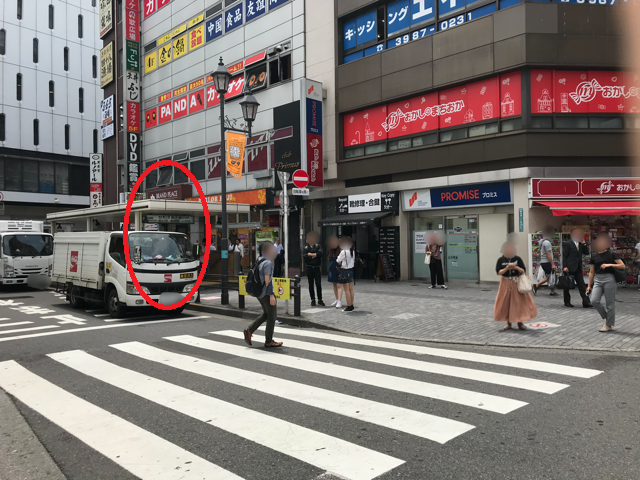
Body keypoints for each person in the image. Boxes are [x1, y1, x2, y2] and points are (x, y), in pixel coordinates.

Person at [243, 241, 283, 348]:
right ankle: (269, 341)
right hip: (266, 294)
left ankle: (249, 330)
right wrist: (271, 295)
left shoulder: (259, 260)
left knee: (266, 314)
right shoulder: (268, 263)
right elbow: (267, 281)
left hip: (259, 293)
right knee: (272, 317)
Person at [587, 233, 626, 332]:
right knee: (594, 301)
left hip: (609, 279)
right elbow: (591, 272)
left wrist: (610, 265)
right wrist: (589, 286)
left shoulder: (612, 254)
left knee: (610, 303)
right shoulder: (594, 256)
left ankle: (608, 325)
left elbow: (622, 266)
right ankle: (607, 317)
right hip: (598, 279)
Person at [494, 241, 537, 330]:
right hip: (505, 282)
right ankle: (508, 322)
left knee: (519, 302)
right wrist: (507, 268)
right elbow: (498, 272)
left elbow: (523, 271)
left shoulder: (517, 258)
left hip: (516, 282)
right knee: (506, 303)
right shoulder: (501, 260)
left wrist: (516, 267)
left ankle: (520, 322)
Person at [562, 228, 593, 308]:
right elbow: (564, 256)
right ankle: (567, 302)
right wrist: (564, 266)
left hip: (578, 268)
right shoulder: (568, 243)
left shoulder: (581, 244)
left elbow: (586, 252)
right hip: (569, 267)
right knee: (567, 286)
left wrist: (584, 244)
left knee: (582, 285)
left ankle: (586, 302)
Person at [533, 226, 558, 297]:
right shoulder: (547, 243)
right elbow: (548, 254)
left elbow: (541, 253)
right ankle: (536, 285)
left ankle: (552, 292)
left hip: (543, 261)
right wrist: (552, 264)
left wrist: (541, 260)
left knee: (551, 276)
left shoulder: (541, 242)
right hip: (547, 262)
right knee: (550, 276)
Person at [303, 232, 324, 306]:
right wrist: (314, 255)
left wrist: (310, 254)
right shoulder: (306, 248)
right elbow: (305, 258)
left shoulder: (318, 246)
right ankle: (313, 299)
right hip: (309, 268)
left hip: (317, 267)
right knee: (310, 284)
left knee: (318, 284)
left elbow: (320, 254)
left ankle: (320, 299)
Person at [337, 236, 356, 312]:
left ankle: (349, 306)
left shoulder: (344, 251)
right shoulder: (352, 251)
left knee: (346, 290)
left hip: (345, 270)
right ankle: (351, 304)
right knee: (350, 289)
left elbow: (338, 260)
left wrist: (341, 264)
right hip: (351, 270)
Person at [326, 235, 343, 308]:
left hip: (339, 269)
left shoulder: (341, 250)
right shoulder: (330, 251)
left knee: (339, 285)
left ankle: (339, 301)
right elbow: (328, 259)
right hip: (332, 269)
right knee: (334, 285)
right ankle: (336, 299)